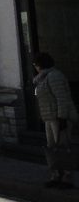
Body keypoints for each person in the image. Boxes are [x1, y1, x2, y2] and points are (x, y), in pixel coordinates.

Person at [33, 52, 78, 189]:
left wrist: (62, 117)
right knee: (52, 147)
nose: (35, 67)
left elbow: (62, 98)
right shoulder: (42, 78)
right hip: (49, 117)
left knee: (64, 147)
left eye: (36, 64)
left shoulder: (54, 76)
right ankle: (55, 175)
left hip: (58, 117)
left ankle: (67, 177)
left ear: (41, 64)